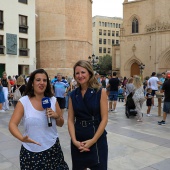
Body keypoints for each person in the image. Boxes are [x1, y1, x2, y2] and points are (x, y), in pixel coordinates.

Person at [9, 69, 69, 169]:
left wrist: (57, 116)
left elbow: (61, 123)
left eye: (44, 80)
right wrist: (21, 138)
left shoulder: (52, 100)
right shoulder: (24, 102)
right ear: (32, 83)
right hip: (31, 152)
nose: (42, 83)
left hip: (52, 149)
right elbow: (12, 124)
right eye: (38, 80)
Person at [68, 60, 108, 170]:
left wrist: (93, 140)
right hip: (78, 139)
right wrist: (74, 141)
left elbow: (104, 119)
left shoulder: (100, 91)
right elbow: (70, 120)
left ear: (89, 73)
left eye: (83, 72)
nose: (80, 76)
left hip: (97, 138)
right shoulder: (72, 95)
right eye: (77, 73)